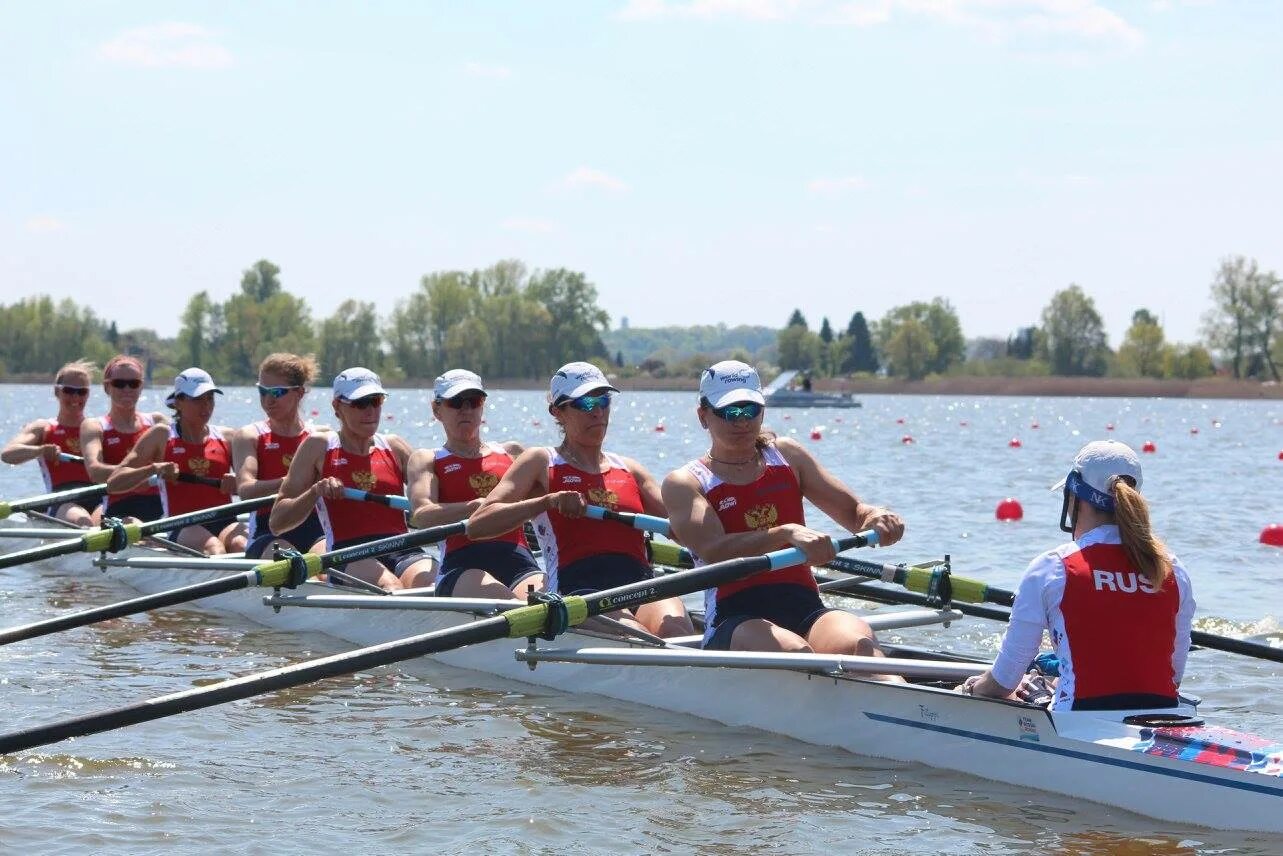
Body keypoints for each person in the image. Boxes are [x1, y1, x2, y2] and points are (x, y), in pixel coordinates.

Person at [662, 360, 905, 657]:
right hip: (734, 617)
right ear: (703, 416)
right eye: (729, 411)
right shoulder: (685, 482)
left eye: (751, 409)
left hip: (805, 607)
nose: (742, 421)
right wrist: (785, 533)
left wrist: (876, 517)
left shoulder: (788, 456)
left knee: (859, 643)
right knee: (795, 651)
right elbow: (714, 551)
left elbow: (855, 514)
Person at [959, 441, 1195, 711]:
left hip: (1076, 722)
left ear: (1073, 496)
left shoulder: (1052, 568)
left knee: (1017, 687)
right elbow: (1173, 677)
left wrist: (970, 689)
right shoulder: (1173, 569)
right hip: (1166, 717)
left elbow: (1003, 681)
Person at [469, 361, 693, 638]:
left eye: (603, 401)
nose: (598, 412)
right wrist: (547, 502)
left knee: (678, 630)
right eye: (585, 404)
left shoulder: (629, 468)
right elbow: (477, 525)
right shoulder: (540, 461)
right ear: (557, 412)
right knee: (633, 635)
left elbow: (687, 531)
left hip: (640, 583)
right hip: (578, 589)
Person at [269, 367, 436, 591]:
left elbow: (435, 500)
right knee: (390, 586)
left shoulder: (394, 446)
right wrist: (315, 492)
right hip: (347, 553)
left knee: (429, 583)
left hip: (402, 547)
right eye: (360, 403)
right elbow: (277, 522)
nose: (369, 411)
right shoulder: (318, 446)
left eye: (375, 401)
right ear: (337, 407)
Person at [406, 369, 542, 599]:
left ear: (483, 406)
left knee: (552, 601)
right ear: (436, 410)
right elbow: (421, 516)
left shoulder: (513, 453)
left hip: (519, 561)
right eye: (456, 402)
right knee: (512, 604)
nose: (466, 410)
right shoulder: (427, 459)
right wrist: (475, 507)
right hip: (462, 566)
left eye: (474, 401)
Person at [107, 368, 247, 554]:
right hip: (182, 523)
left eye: (210, 398)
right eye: (197, 399)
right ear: (179, 402)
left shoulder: (228, 437)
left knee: (242, 546)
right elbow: (114, 483)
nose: (206, 406)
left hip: (225, 521)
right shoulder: (161, 435)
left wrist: (239, 484)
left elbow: (253, 486)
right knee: (214, 548)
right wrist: (153, 469)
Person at [233, 353, 327, 559]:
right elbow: (246, 491)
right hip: (268, 531)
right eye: (262, 391)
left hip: (316, 530)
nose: (268, 400)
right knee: (294, 561)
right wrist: (292, 482)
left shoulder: (320, 438)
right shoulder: (250, 436)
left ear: (299, 393)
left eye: (276, 392)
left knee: (325, 564)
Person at [2, 360, 102, 526]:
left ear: (88, 394)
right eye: (69, 391)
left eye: (82, 392)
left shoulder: (98, 429)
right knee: (82, 520)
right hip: (61, 501)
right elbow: (8, 454)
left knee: (108, 521)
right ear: (57, 392)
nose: (76, 397)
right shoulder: (44, 428)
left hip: (99, 497)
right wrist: (40, 451)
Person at [80, 355, 169, 523]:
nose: (127, 389)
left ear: (141, 387)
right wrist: (140, 476)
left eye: (133, 384)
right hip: (119, 508)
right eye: (119, 384)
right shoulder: (94, 426)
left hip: (161, 505)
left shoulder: (157, 422)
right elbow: (95, 472)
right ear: (107, 387)